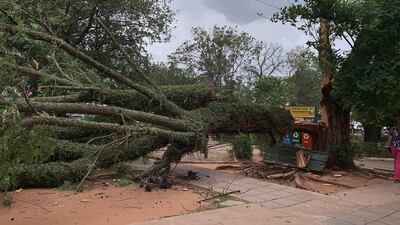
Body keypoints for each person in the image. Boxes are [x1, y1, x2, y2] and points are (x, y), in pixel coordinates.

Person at [387, 118, 400, 182]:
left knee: (396, 161)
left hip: (393, 147)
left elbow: (390, 138)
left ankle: (396, 176)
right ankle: (397, 177)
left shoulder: (392, 129)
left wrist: (388, 146)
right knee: (398, 162)